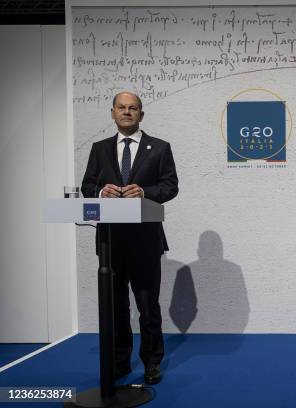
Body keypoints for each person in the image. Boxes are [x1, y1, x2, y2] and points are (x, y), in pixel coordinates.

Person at [81, 91, 179, 384]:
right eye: (121, 108)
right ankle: (120, 362)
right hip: (110, 242)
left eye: (133, 108)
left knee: (148, 305)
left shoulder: (160, 148)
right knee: (115, 307)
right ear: (112, 113)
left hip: (146, 240)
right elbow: (87, 185)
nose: (127, 112)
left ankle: (151, 363)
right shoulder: (99, 149)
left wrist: (144, 192)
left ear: (141, 114)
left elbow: (171, 186)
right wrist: (100, 193)